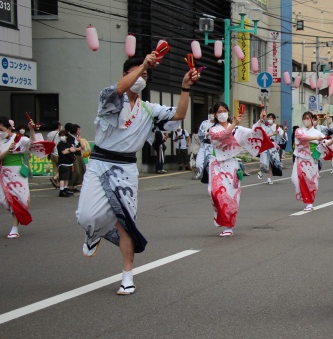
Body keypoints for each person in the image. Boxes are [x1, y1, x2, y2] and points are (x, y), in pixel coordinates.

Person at [76, 53, 199, 295]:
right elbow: (121, 88)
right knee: (86, 216)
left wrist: (185, 88)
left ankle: (127, 276)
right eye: (137, 73)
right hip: (100, 163)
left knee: (127, 224)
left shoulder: (148, 110)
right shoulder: (109, 97)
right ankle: (94, 233)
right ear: (124, 75)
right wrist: (143, 63)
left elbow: (179, 116)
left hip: (126, 169)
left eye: (144, 75)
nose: (140, 78)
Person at [207, 102, 271, 237]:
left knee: (230, 196)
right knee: (214, 193)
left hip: (231, 165)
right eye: (219, 111)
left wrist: (260, 120)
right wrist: (233, 124)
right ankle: (221, 218)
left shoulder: (238, 130)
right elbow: (220, 137)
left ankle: (229, 226)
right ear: (215, 114)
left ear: (228, 112)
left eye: (224, 110)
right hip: (216, 165)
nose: (222, 113)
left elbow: (253, 133)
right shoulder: (213, 129)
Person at [0, 117, 44, 238]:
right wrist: (7, 151)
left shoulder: (20, 139)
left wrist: (32, 130)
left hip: (18, 174)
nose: (0, 132)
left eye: (1, 129)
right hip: (3, 173)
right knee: (3, 199)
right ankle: (16, 215)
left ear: (9, 128)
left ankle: (14, 227)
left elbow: (33, 143)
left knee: (19, 200)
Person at [291, 111, 325, 211]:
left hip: (312, 158)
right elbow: (302, 138)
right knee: (296, 179)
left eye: (308, 118)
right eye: (304, 118)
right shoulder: (299, 130)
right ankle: (305, 197)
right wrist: (315, 139)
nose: (306, 120)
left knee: (311, 180)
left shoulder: (318, 132)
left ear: (312, 120)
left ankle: (310, 202)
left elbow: (325, 142)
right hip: (300, 158)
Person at [255, 112, 283, 184]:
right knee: (264, 160)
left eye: (271, 118)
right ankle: (260, 171)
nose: (269, 119)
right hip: (265, 144)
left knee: (271, 162)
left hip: (272, 145)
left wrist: (283, 132)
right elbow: (263, 135)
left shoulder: (277, 126)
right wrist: (272, 134)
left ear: (274, 119)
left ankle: (269, 178)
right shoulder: (264, 126)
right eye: (268, 118)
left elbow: (282, 135)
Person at [56, 130, 77, 197]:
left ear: (66, 136)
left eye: (63, 135)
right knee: (62, 178)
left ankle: (65, 189)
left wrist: (69, 149)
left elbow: (74, 150)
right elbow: (63, 152)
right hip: (63, 163)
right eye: (60, 136)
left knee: (67, 178)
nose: (62, 137)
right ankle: (61, 191)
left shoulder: (68, 144)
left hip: (69, 163)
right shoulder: (60, 144)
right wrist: (70, 150)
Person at [46, 121, 62, 188]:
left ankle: (57, 183)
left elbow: (47, 143)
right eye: (60, 125)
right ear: (58, 126)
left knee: (55, 168)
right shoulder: (59, 134)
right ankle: (56, 179)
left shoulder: (49, 134)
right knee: (62, 168)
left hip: (52, 153)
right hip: (58, 153)